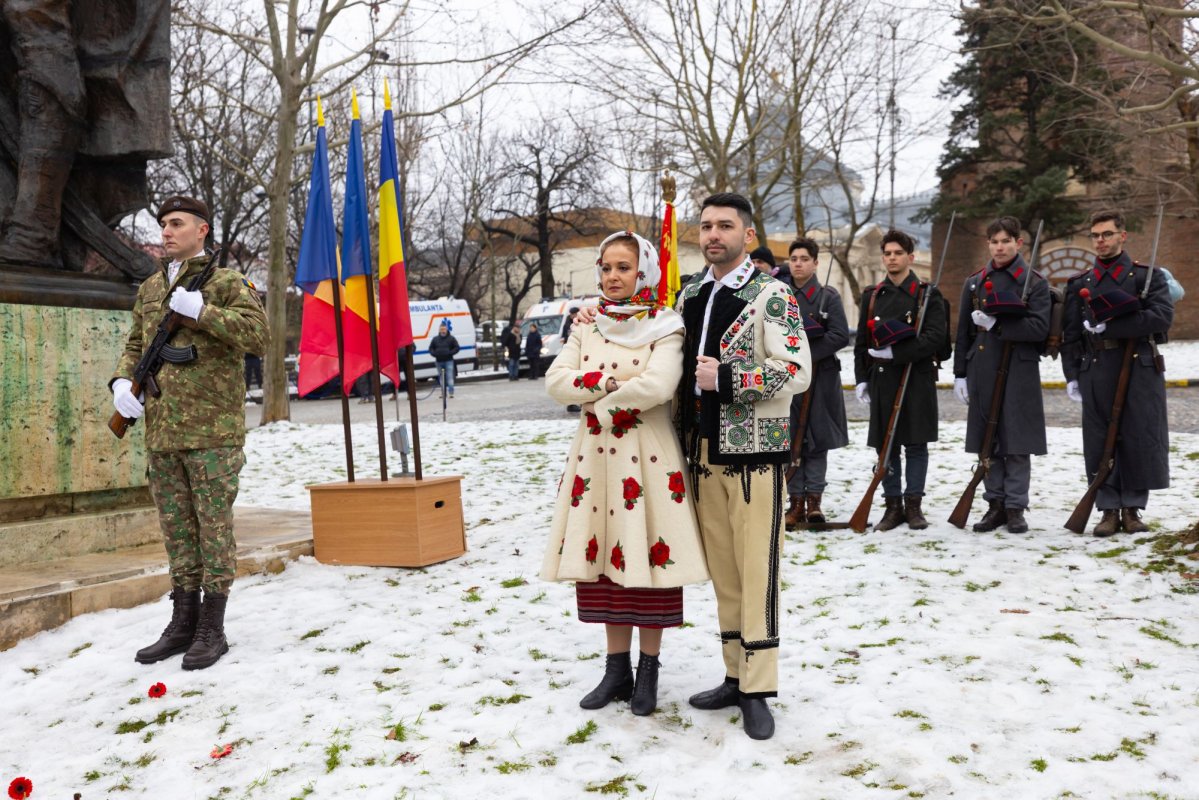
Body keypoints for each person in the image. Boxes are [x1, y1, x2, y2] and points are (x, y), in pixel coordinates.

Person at [541, 231, 708, 718]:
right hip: (595, 460)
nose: (613, 277)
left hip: (647, 458)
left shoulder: (664, 323)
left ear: (644, 272)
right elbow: (556, 381)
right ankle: (617, 669)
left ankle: (649, 670)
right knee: (605, 559)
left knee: (648, 560)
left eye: (623, 268)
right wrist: (613, 383)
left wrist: (597, 401)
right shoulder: (586, 323)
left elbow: (659, 385)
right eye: (606, 267)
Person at [110, 195, 268, 670]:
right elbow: (136, 342)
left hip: (212, 430)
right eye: (162, 224)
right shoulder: (151, 288)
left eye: (176, 224)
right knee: (178, 532)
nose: (166, 231)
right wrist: (122, 381)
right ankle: (183, 621)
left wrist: (204, 313)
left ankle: (211, 628)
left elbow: (258, 336)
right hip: (161, 431)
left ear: (202, 230)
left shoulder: (226, 283)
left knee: (212, 529)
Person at [676, 193, 810, 740]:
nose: (713, 234)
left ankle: (759, 686)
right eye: (706, 225)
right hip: (703, 454)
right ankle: (734, 673)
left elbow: (797, 370)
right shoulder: (690, 294)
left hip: (756, 454)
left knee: (758, 572)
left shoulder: (772, 295)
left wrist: (728, 379)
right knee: (725, 573)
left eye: (725, 226)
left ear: (747, 236)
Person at [1061, 210, 1173, 536]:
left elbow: (1160, 318)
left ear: (1122, 236)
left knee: (1138, 435)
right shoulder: (1079, 283)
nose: (1101, 240)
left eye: (1107, 234)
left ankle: (1133, 508)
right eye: (1096, 235)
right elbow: (1070, 335)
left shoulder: (1146, 277)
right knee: (1100, 439)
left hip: (1138, 365)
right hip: (1096, 366)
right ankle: (1108, 508)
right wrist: (1072, 374)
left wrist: (1112, 324)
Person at [952, 217, 1051, 534]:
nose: (999, 247)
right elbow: (964, 333)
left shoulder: (1034, 283)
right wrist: (960, 374)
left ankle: (1015, 507)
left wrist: (999, 326)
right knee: (988, 440)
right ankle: (994, 505)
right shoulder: (975, 282)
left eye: (1005, 241)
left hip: (1019, 368)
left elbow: (1039, 328)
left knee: (1017, 441)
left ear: (1019, 243)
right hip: (982, 367)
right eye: (994, 241)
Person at [853, 229, 947, 532]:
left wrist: (897, 352)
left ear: (911, 257)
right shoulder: (872, 295)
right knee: (887, 445)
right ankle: (892, 506)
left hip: (916, 377)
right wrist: (861, 378)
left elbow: (936, 337)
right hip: (882, 378)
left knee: (916, 444)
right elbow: (861, 343)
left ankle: (914, 505)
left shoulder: (927, 294)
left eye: (897, 253)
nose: (892, 258)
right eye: (887, 253)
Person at [783, 237, 849, 529]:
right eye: (794, 258)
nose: (798, 263)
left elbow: (839, 335)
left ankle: (814, 503)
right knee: (790, 438)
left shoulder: (828, 297)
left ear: (815, 263)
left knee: (817, 440)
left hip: (820, 378)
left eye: (804, 259)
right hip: (787, 376)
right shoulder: (779, 295)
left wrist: (806, 355)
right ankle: (795, 501)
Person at [428, 321, 460, 398]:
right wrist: (434, 354)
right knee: (441, 379)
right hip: (439, 361)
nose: (443, 331)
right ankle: (443, 393)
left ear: (446, 330)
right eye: (441, 329)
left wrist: (450, 353)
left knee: (449, 377)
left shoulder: (451, 338)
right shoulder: (435, 339)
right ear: (439, 330)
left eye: (444, 329)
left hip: (449, 361)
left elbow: (457, 347)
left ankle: (451, 393)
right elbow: (430, 348)